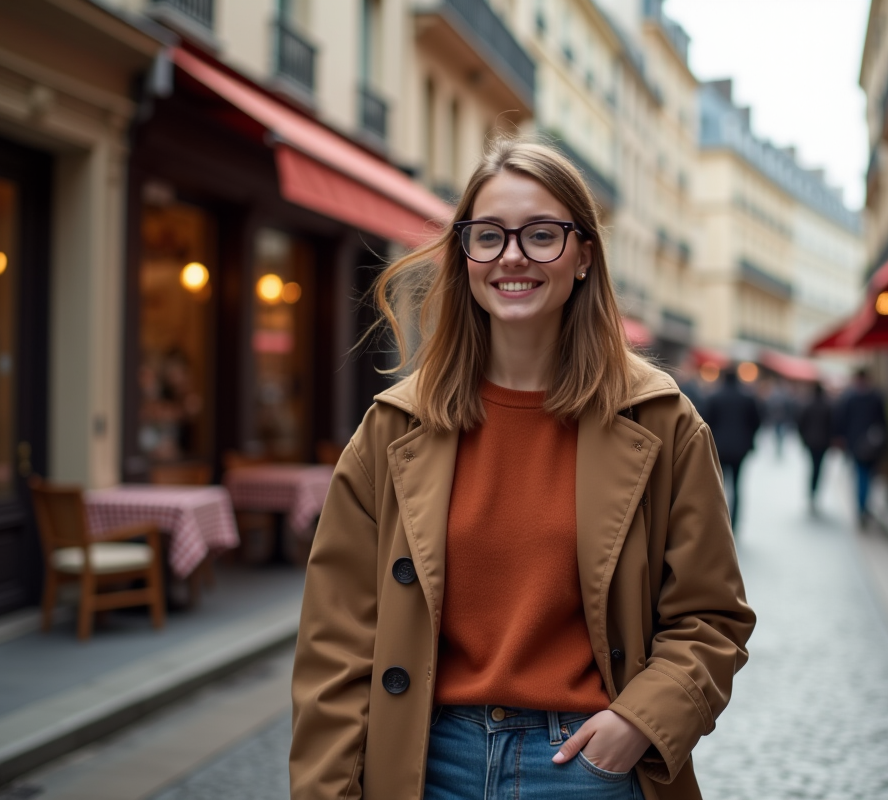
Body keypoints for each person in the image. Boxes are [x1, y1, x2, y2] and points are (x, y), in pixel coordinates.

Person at [290, 139, 756, 800]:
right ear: (465, 254)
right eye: (489, 236)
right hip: (423, 764)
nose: (512, 256)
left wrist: (639, 721)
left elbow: (712, 617)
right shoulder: (394, 428)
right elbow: (335, 647)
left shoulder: (659, 421)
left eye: (542, 234)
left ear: (584, 255)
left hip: (587, 769)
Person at [704, 367, 762, 527]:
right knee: (737, 486)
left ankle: (717, 521)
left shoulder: (714, 397)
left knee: (717, 486)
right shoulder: (748, 398)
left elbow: (705, 422)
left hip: (718, 448)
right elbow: (756, 422)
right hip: (740, 449)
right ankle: (734, 522)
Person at [835, 368, 888, 529]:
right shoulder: (876, 397)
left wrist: (841, 440)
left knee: (861, 476)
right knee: (868, 477)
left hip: (856, 444)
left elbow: (841, 421)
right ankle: (863, 508)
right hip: (873, 444)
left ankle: (861, 508)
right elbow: (884, 422)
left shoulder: (849, 398)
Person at [797, 382, 834, 514]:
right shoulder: (827, 406)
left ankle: (812, 492)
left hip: (811, 442)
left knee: (813, 467)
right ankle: (815, 492)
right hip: (823, 443)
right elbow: (832, 425)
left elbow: (801, 424)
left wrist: (803, 439)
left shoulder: (808, 405)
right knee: (819, 468)